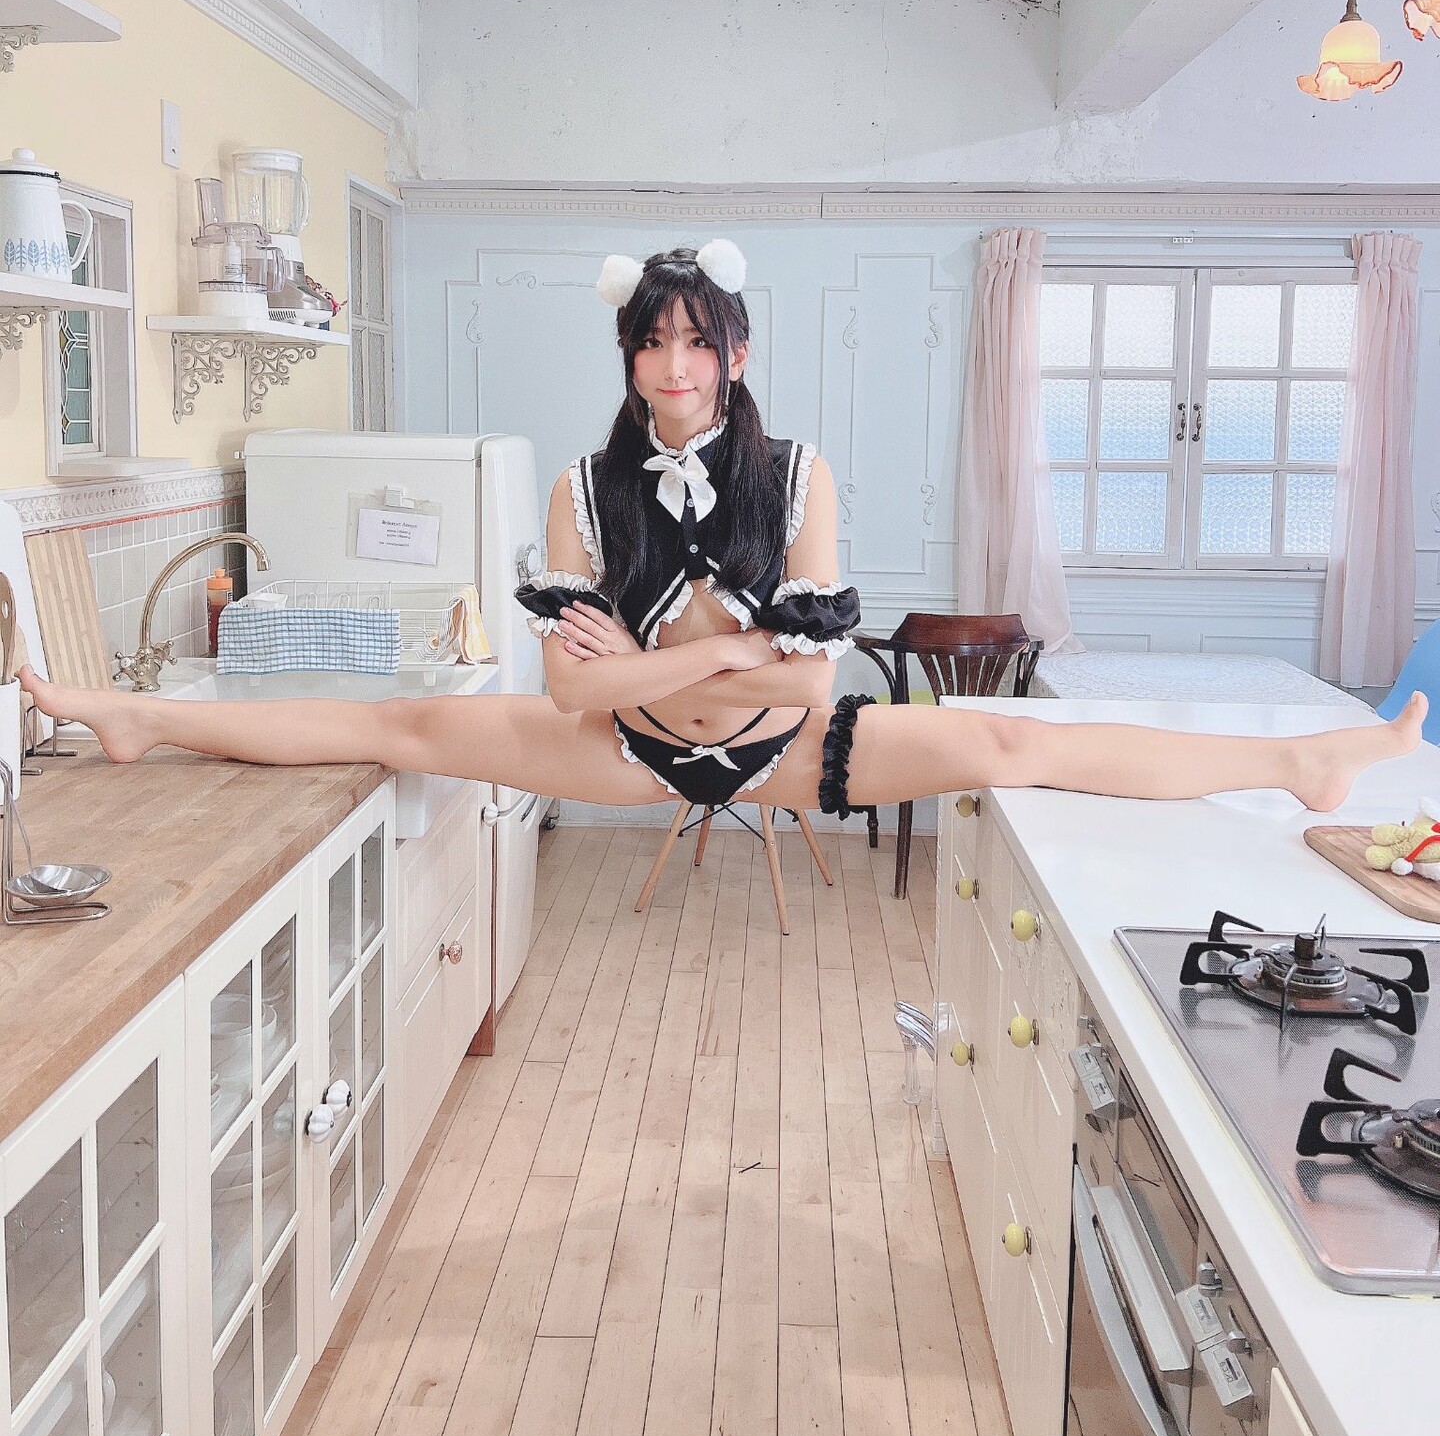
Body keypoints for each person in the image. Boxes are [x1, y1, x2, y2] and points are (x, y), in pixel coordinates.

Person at [19, 240, 1426, 821]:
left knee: (1013, 742)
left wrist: (687, 663)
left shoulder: (798, 474)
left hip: (788, 755)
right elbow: (569, 692)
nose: (676, 366)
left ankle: (1296, 759)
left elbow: (811, 688)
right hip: (627, 756)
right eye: (654, 343)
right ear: (630, 356)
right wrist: (722, 653)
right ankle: (133, 717)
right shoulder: (584, 486)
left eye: (699, 342)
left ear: (736, 353)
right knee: (394, 722)